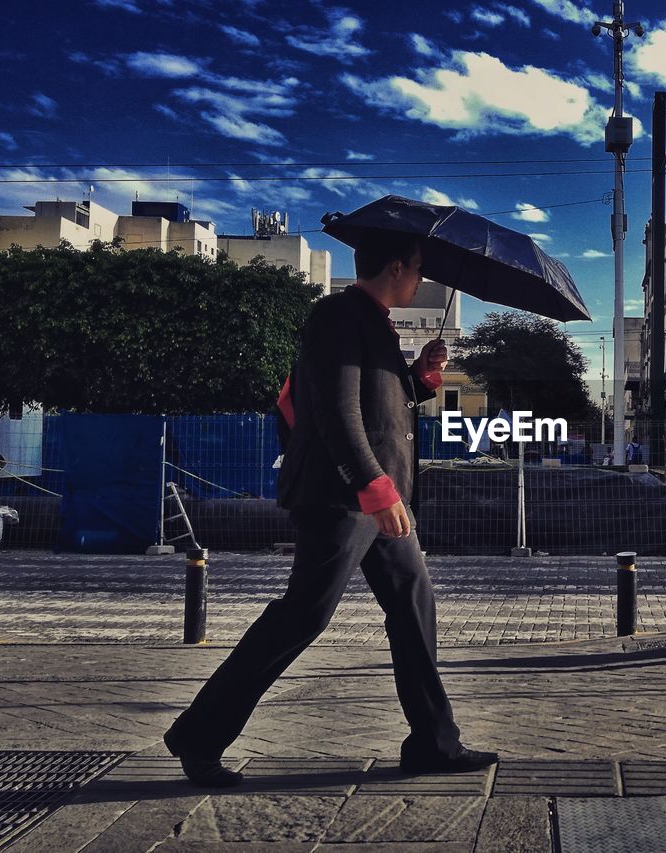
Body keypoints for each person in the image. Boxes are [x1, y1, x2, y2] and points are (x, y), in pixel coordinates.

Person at [163, 234, 497, 787]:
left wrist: (423, 377)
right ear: (396, 264)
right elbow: (337, 412)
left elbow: (382, 405)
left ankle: (434, 743)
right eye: (417, 268)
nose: (420, 279)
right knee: (303, 616)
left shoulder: (375, 322)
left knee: (415, 609)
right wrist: (374, 486)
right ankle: (197, 736)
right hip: (343, 497)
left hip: (379, 499)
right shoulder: (337, 316)